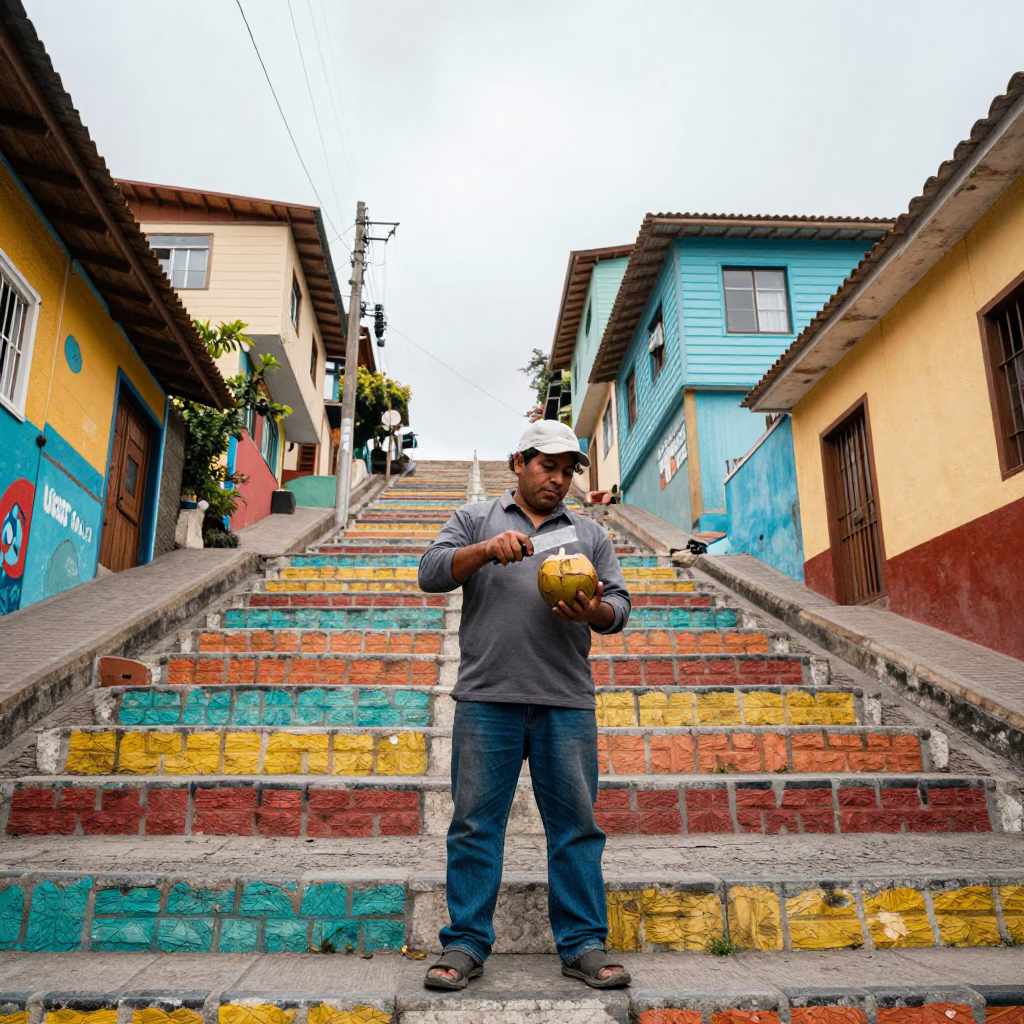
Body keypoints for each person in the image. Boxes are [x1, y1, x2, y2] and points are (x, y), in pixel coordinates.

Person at [417, 420, 632, 991]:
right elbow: (430, 573)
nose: (558, 480)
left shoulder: (589, 534)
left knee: (576, 828)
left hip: (565, 701)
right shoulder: (475, 519)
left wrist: (594, 614)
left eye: (567, 472)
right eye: (547, 467)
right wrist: (485, 551)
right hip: (488, 699)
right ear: (518, 462)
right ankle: (465, 943)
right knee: (474, 826)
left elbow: (619, 605)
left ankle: (583, 943)